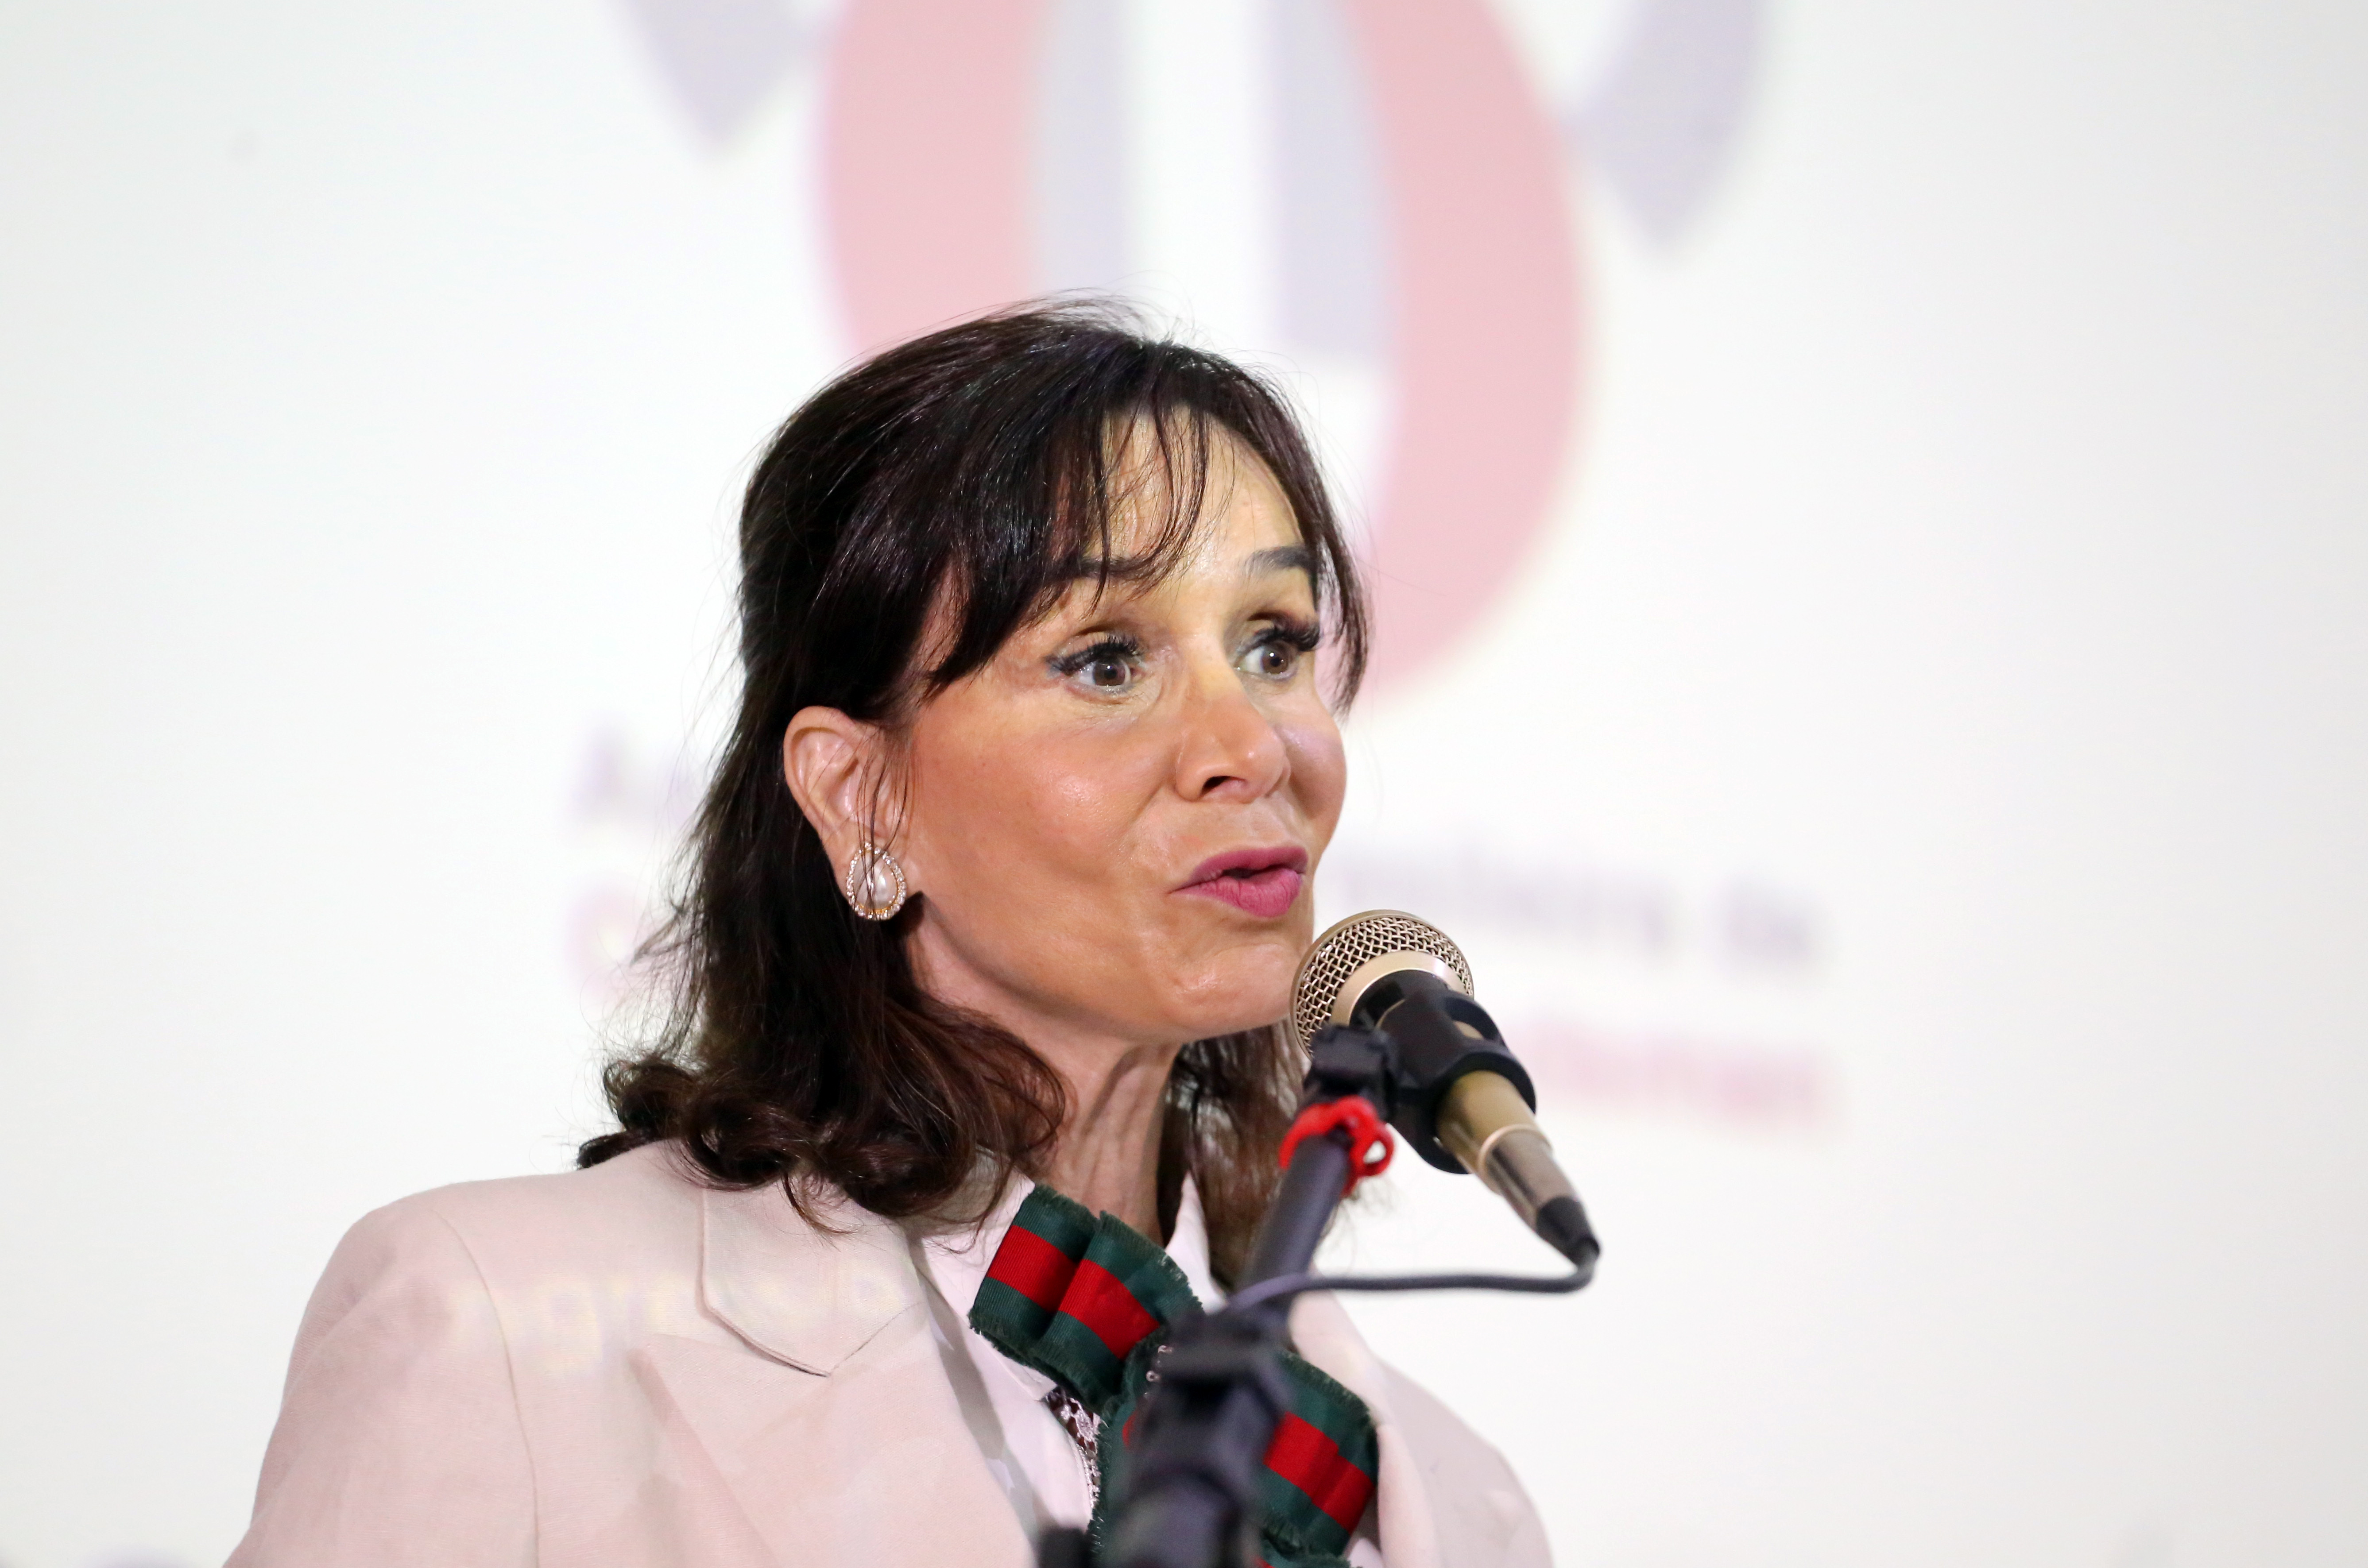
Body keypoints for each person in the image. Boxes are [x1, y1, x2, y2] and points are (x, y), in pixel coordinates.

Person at [228, 305, 1550, 1568]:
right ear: (862, 798)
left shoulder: (1455, 1506)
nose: (1252, 746)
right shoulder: (493, 1332)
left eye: (1274, 644)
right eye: (1106, 660)